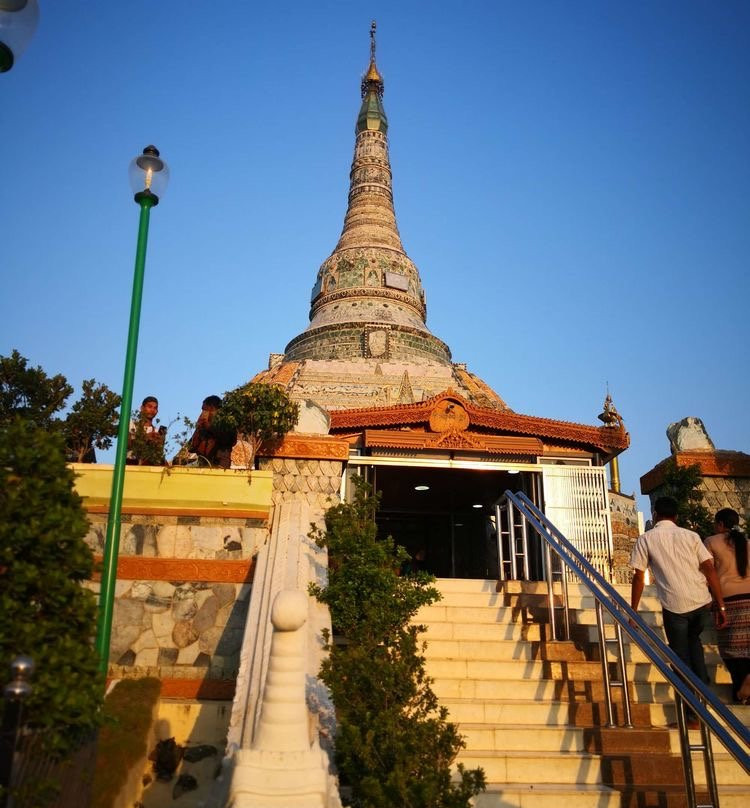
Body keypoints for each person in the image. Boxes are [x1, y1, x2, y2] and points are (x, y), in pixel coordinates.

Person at [630, 496, 728, 723]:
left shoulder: (647, 539)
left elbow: (638, 576)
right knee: (695, 647)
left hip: (675, 606)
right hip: (700, 602)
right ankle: (703, 693)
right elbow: (709, 569)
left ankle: (692, 714)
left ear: (654, 515)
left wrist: (633, 610)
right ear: (676, 516)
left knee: (681, 659)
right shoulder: (691, 536)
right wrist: (720, 604)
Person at [704, 508, 750, 703]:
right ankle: (743, 691)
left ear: (720, 524)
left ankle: (743, 685)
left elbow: (707, 572)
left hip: (728, 600)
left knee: (730, 651)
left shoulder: (711, 542)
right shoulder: (747, 542)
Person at [186, 395, 236, 469]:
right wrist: (198, 428)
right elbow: (191, 447)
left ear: (212, 408)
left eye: (204, 409)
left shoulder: (227, 423)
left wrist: (210, 427)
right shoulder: (203, 426)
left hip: (220, 466)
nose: (202, 412)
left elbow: (228, 440)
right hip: (203, 465)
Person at [127, 396, 166, 465]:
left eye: (155, 408)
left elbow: (159, 453)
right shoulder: (132, 425)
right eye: (150, 407)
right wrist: (146, 438)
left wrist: (159, 442)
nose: (152, 410)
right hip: (131, 464)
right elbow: (126, 444)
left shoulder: (157, 431)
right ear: (142, 408)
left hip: (149, 466)